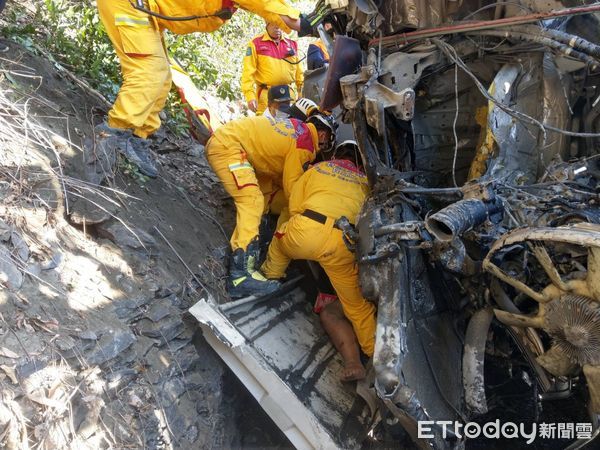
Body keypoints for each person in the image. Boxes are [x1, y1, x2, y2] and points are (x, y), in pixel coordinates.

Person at [95, 0, 330, 178]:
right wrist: (312, 22)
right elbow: (279, 12)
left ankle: (137, 139)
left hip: (147, 11)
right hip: (131, 5)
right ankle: (112, 137)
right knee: (149, 73)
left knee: (163, 77)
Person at [261, 140, 376, 378]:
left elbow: (294, 205)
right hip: (343, 243)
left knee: (281, 240)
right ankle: (376, 358)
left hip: (308, 230)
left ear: (335, 155)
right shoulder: (366, 184)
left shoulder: (318, 169)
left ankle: (268, 280)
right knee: (357, 308)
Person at [205, 112, 337, 298]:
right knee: (252, 200)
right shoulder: (305, 143)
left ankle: (254, 253)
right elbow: (293, 189)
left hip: (231, 144)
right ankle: (240, 276)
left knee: (263, 200)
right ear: (323, 135)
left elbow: (269, 167)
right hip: (229, 148)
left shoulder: (296, 130)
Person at [241, 22, 304, 115]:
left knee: (288, 127)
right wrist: (250, 96)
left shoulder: (292, 44)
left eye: (280, 23)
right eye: (274, 23)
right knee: (265, 127)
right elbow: (248, 72)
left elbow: (300, 72)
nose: (277, 27)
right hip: (266, 96)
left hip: (288, 96)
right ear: (267, 23)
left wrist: (301, 93)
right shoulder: (256, 43)